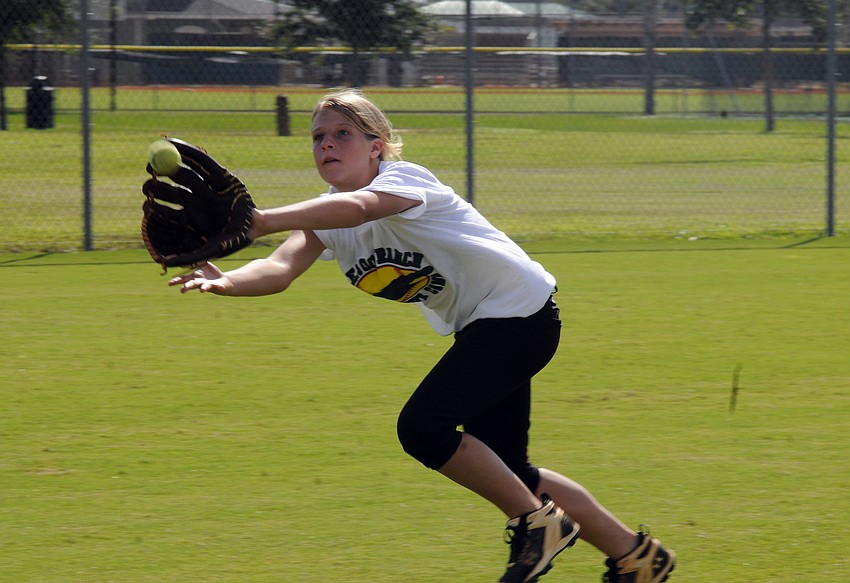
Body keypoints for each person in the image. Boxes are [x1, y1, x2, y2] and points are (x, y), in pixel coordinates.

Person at [169, 89, 676, 583]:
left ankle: (537, 526)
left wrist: (261, 220)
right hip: (486, 326)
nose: (327, 144)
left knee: (422, 429)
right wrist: (225, 280)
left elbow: (363, 208)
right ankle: (635, 557)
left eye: (343, 133)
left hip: (519, 317)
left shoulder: (403, 179)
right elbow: (279, 268)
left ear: (378, 145)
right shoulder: (327, 214)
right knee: (507, 468)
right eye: (319, 136)